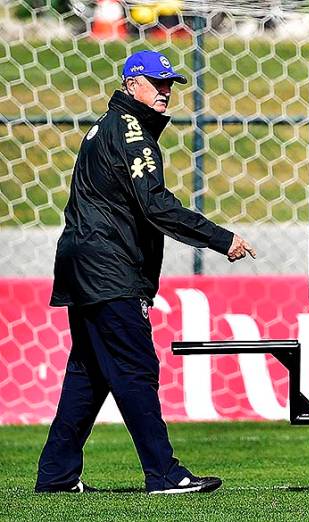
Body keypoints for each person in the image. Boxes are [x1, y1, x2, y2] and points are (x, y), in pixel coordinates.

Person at [35, 50, 256, 494]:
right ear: (130, 84)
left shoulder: (104, 128)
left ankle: (56, 475)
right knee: (136, 370)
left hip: (81, 265)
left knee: (89, 372)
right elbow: (156, 205)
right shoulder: (133, 133)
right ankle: (164, 473)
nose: (165, 91)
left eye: (170, 83)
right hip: (109, 268)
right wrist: (220, 238)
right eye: (157, 83)